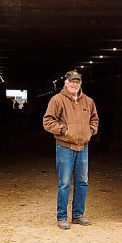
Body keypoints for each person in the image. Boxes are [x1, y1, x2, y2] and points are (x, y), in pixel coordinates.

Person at [43, 70, 99, 229]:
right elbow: (47, 121)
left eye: (77, 82)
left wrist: (91, 130)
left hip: (83, 147)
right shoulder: (57, 100)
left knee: (83, 182)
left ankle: (78, 215)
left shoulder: (88, 101)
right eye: (71, 81)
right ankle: (62, 217)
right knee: (65, 182)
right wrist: (63, 131)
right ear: (65, 83)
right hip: (65, 147)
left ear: (80, 84)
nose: (74, 84)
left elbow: (94, 118)